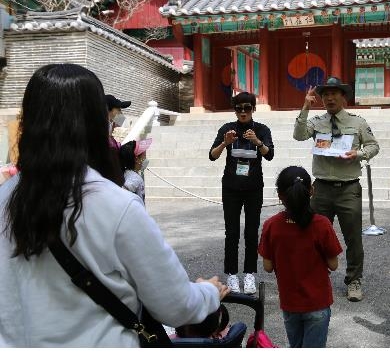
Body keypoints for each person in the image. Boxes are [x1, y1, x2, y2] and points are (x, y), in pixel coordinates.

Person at [0, 63, 229, 347]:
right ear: (97, 124)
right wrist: (207, 292)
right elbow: (175, 305)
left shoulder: (5, 198)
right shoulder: (117, 207)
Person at [293, 77, 379, 302]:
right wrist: (305, 107)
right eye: (325, 95)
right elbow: (299, 135)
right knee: (314, 236)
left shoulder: (357, 122)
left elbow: (373, 145)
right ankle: (315, 278)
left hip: (348, 188)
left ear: (343, 97)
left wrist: (357, 154)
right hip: (321, 188)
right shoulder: (316, 121)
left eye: (334, 94)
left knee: (353, 239)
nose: (329, 98)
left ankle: (354, 280)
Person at [258, 166, 342, 348]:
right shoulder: (321, 224)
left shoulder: (271, 225)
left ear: (280, 195)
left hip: (290, 303)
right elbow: (333, 264)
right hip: (317, 301)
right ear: (311, 191)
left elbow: (267, 266)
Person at [209, 92, 274, 295]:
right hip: (231, 187)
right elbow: (212, 156)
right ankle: (231, 274)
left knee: (251, 231)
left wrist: (257, 142)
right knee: (232, 232)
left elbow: (270, 155)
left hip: (254, 187)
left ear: (253, 109)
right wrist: (225, 143)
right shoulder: (227, 129)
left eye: (247, 108)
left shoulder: (261, 129)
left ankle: (249, 274)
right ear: (234, 110)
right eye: (239, 108)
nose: (243, 112)